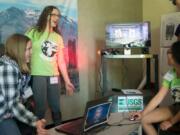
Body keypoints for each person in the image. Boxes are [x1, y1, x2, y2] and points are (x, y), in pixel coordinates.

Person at [25, 5, 74, 126]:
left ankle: (59, 129)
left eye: (59, 15)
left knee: (56, 107)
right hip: (38, 75)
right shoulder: (33, 32)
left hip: (54, 76)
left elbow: (61, 61)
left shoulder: (58, 37)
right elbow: (23, 49)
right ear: (47, 15)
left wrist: (67, 81)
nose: (57, 18)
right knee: (40, 108)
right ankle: (37, 130)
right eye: (54, 15)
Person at [0, 34, 48, 135]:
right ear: (18, 50)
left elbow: (25, 93)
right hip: (3, 115)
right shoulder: (8, 69)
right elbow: (13, 104)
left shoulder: (22, 68)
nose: (31, 53)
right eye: (28, 49)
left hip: (12, 112)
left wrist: (35, 121)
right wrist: (35, 121)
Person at [131, 41, 180, 135]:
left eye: (170, 52)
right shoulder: (171, 73)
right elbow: (158, 97)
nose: (167, 53)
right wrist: (142, 113)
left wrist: (171, 122)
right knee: (145, 120)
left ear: (177, 56)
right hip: (176, 107)